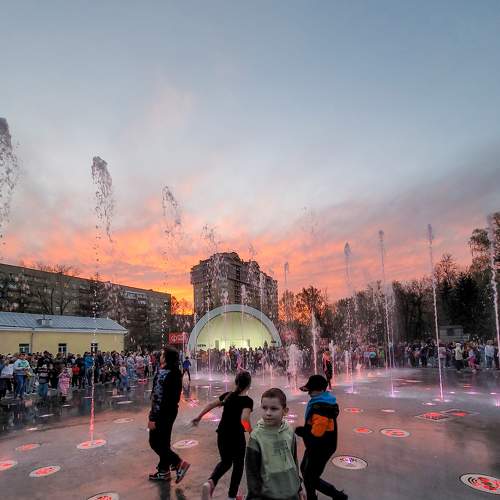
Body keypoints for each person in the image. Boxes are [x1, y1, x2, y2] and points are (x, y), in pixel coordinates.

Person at [192, 371, 253, 500]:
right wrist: (252, 433)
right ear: (249, 385)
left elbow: (211, 405)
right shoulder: (247, 401)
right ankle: (231, 496)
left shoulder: (228, 396)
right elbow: (244, 419)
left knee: (225, 462)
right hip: (236, 437)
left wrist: (199, 417)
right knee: (238, 465)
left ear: (236, 382)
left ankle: (211, 482)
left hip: (222, 434)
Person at [245, 387, 303, 500]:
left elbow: (293, 461)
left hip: (292, 493)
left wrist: (299, 487)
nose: (268, 413)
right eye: (264, 408)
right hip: (268, 495)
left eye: (274, 409)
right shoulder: (256, 437)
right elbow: (252, 473)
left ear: (285, 411)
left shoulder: (289, 431)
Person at [295, 375, 347, 500]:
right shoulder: (322, 402)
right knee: (304, 469)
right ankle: (313, 496)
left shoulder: (322, 409)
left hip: (321, 448)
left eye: (311, 391)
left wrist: (302, 432)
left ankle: (337, 496)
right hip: (316, 446)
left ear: (321, 390)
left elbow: (316, 434)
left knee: (310, 477)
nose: (309, 393)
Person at [148, 347, 190, 483]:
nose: (160, 356)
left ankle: (178, 463)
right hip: (171, 411)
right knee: (164, 442)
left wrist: (152, 418)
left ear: (166, 358)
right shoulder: (176, 372)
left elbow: (158, 397)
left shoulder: (163, 373)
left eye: (162, 354)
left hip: (162, 413)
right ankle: (164, 471)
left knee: (155, 442)